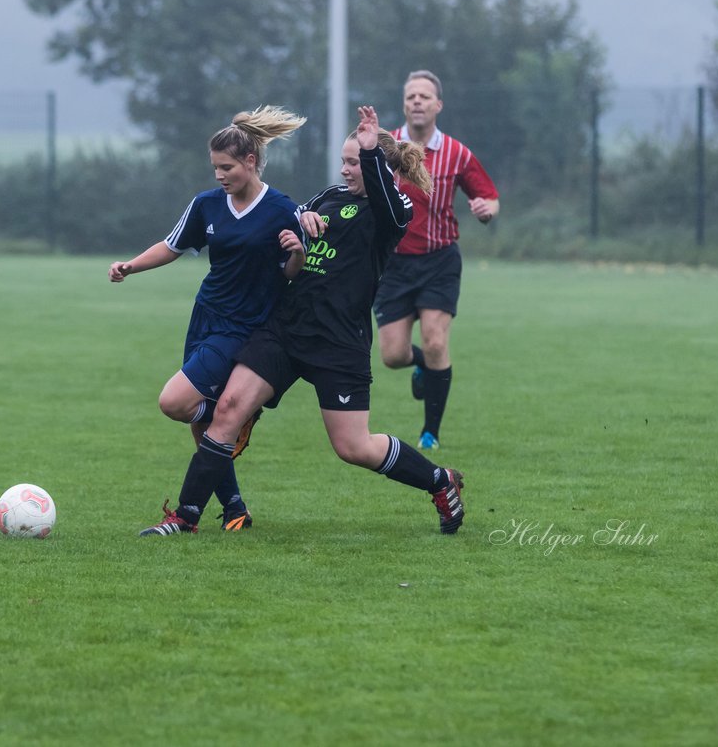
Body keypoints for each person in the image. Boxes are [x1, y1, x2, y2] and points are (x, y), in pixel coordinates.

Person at [139, 106, 466, 537]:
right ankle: (185, 517)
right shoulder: (329, 198)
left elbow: (386, 201)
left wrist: (371, 152)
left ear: (379, 166)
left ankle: (439, 482)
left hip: (338, 341)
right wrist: (301, 231)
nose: (346, 169)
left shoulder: (395, 208)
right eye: (345, 161)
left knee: (353, 447)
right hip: (286, 329)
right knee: (230, 411)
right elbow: (292, 239)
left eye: (355, 162)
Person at [110, 107, 307, 532]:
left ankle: (236, 417)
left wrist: (297, 253)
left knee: (175, 402)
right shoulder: (207, 205)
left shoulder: (281, 209)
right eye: (215, 167)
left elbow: (291, 275)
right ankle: (234, 507)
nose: (220, 175)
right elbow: (173, 244)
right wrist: (132, 266)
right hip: (206, 317)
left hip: (244, 328)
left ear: (251, 161)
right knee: (206, 423)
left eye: (228, 167)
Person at [375, 70, 499, 451]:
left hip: (439, 261)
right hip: (392, 263)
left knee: (434, 341)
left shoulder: (457, 153)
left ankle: (430, 432)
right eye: (411, 95)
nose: (416, 101)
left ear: (438, 105)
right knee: (393, 355)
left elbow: (490, 198)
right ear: (404, 104)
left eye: (424, 96)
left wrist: (485, 210)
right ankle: (420, 366)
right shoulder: (384, 147)